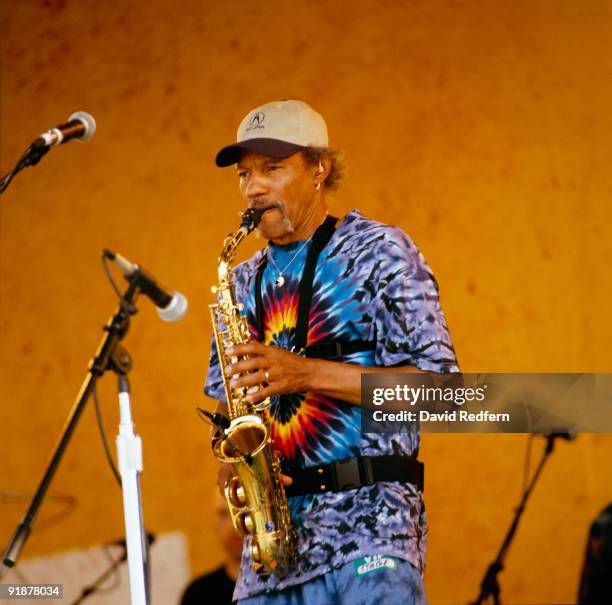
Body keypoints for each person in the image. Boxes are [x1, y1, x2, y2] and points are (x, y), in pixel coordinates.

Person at [204, 99, 458, 605]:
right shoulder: (239, 280)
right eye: (245, 174)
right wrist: (236, 465)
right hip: (273, 558)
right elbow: (229, 412)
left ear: (318, 168)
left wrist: (307, 374)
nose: (254, 187)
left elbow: (443, 394)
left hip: (371, 537)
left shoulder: (378, 251)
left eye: (272, 168)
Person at [180, 491, 243, 605]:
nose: (232, 526)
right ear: (215, 522)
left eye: (241, 512)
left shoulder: (281, 589)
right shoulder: (197, 594)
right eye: (224, 514)